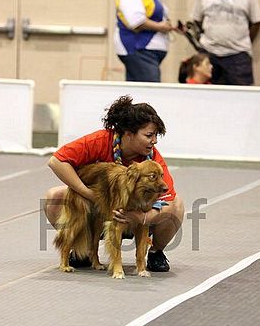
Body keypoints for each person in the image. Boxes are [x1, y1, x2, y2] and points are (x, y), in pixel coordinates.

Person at [45, 95, 184, 272]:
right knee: (54, 197)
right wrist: (89, 194)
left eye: (156, 135)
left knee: (177, 206)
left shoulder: (153, 160)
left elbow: (168, 201)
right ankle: (82, 249)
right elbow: (56, 162)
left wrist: (141, 217)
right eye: (149, 135)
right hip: (101, 210)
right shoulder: (99, 141)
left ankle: (156, 253)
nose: (154, 141)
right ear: (128, 134)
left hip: (138, 218)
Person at [192, 0, 260, 85]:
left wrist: (242, 40)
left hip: (238, 55)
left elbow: (256, 21)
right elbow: (197, 19)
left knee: (241, 96)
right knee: (206, 96)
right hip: (209, 53)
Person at [114, 0, 174, 83]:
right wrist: (161, 27)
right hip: (138, 48)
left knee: (139, 92)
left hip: (148, 51)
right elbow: (136, 21)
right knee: (149, 91)